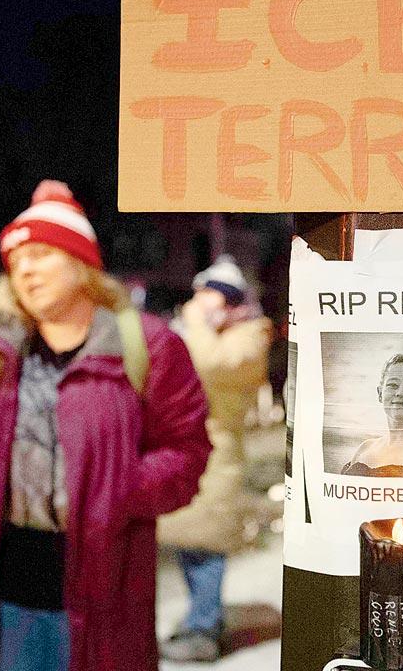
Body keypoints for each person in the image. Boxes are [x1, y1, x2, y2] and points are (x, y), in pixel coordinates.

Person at [0, 180, 210, 671]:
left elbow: (185, 448)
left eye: (41, 254)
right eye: (16, 260)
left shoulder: (147, 345)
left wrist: (121, 492)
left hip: (103, 587)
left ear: (80, 262)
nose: (25, 270)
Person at [157, 255, 272, 662]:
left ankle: (203, 629)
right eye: (201, 293)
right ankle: (202, 618)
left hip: (219, 455)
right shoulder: (204, 331)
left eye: (213, 295)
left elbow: (210, 364)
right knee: (187, 543)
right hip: (187, 448)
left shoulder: (250, 333)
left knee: (206, 544)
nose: (202, 302)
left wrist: (194, 322)